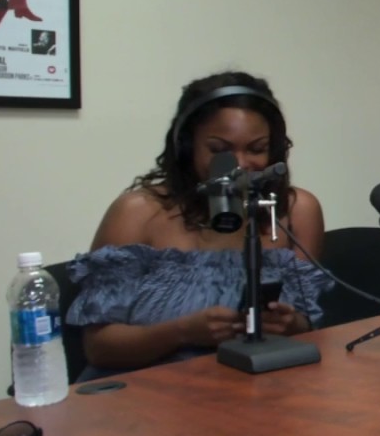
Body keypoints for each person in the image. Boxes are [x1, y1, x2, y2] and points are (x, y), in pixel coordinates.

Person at [65, 71, 332, 380]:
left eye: (256, 149)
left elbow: (307, 324)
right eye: (219, 150)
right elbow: (99, 348)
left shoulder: (296, 211)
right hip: (150, 389)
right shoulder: (137, 213)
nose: (239, 164)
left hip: (254, 387)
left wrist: (291, 325)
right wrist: (179, 332)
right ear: (187, 146)